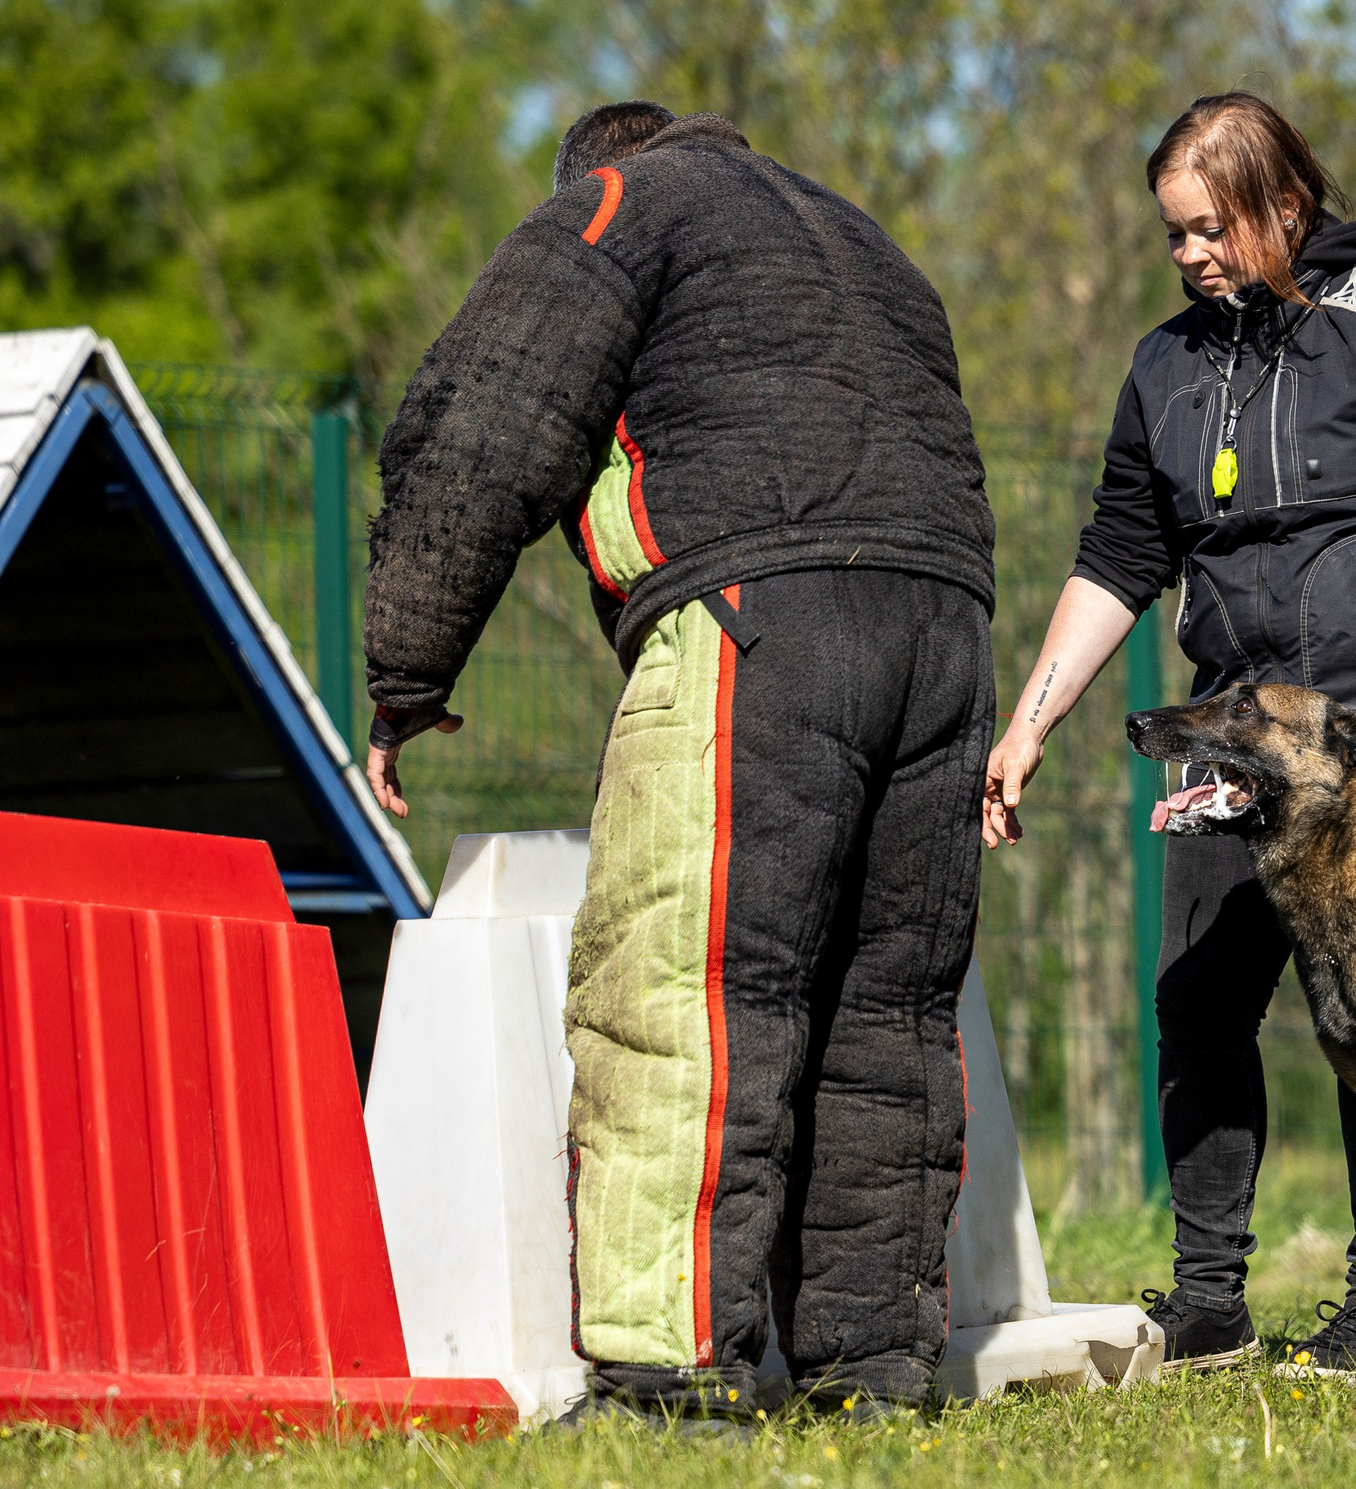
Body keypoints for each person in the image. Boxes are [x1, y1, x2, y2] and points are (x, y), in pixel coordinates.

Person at [362, 99, 998, 1421]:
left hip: (763, 614)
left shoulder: (619, 202)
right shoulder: (864, 237)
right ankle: (873, 1363)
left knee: (689, 983)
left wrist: (407, 673)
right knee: (883, 1009)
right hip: (950, 630)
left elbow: (484, 417)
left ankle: (669, 1368)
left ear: (593, 164)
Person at [980, 91, 1356, 1379]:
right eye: (1173, 235)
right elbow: (1120, 556)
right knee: (1197, 999)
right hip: (1242, 731)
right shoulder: (1165, 366)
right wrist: (1028, 723)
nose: (1189, 254)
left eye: (1210, 228)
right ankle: (1207, 1305)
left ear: (1282, 204)